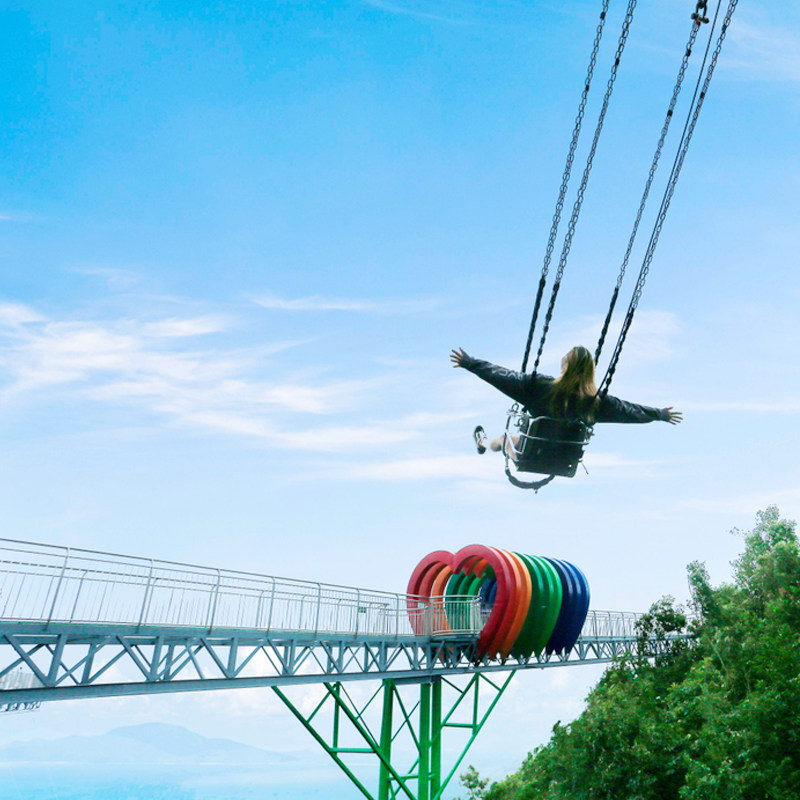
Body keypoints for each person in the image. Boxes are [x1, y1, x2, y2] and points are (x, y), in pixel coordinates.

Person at [450, 345, 682, 455]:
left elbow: (503, 377)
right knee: (513, 438)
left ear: (565, 366)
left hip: (532, 454)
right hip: (564, 458)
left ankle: (482, 443)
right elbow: (629, 411)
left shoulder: (540, 387)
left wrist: (471, 363)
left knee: (505, 439)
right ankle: (484, 443)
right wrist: (659, 414)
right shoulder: (597, 403)